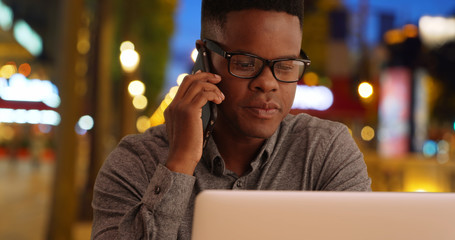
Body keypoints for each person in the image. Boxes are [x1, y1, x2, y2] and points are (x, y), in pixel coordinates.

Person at [91, 0, 372, 239]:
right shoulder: (135, 163)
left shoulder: (325, 152)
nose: (268, 83)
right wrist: (178, 164)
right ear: (204, 57)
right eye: (246, 63)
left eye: (286, 66)